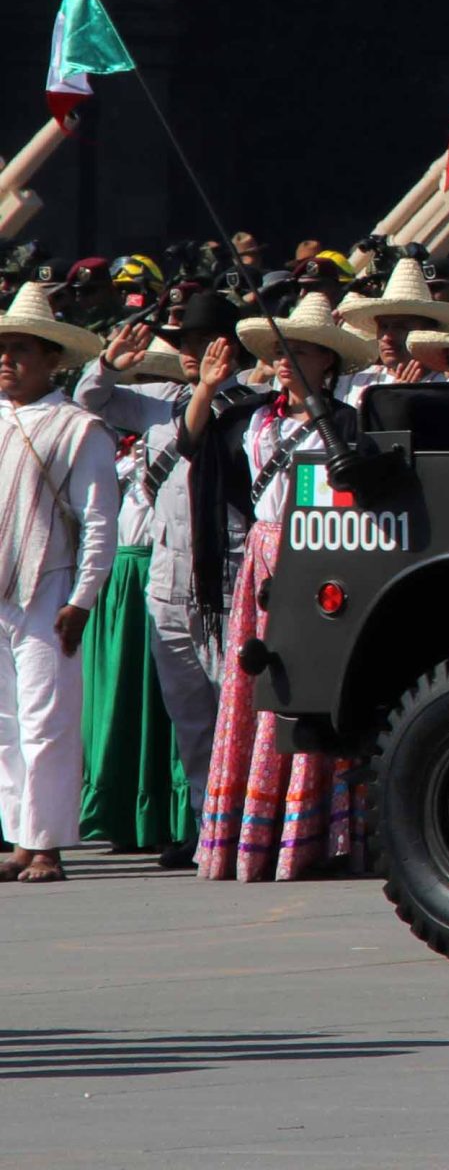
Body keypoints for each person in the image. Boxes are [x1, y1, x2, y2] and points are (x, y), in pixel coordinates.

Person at [185, 294, 372, 882]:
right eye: (277, 352)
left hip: (319, 558)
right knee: (256, 690)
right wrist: (207, 389)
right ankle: (254, 835)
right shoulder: (255, 416)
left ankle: (316, 835)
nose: (283, 361)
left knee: (310, 688)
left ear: (328, 364)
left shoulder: (346, 423)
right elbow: (197, 448)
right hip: (264, 556)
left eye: (299, 351)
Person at [76, 292, 252, 868]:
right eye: (184, 345)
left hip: (225, 578)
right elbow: (89, 400)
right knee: (189, 716)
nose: (190, 355)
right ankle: (206, 825)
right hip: (166, 581)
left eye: (202, 344)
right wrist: (108, 364)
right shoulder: (158, 402)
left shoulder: (252, 408)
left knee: (235, 710)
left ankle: (245, 823)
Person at [0, 286, 118, 885]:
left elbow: (100, 521)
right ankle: (20, 837)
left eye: (20, 349)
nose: (6, 360)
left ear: (50, 360)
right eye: (2, 349)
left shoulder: (79, 428)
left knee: (47, 719)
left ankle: (47, 845)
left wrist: (82, 599)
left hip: (47, 588)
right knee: (5, 723)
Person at [336, 256, 449, 401]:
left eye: (401, 327)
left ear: (427, 330)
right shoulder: (351, 383)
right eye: (383, 326)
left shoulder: (447, 386)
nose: (387, 337)